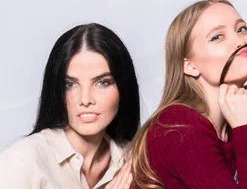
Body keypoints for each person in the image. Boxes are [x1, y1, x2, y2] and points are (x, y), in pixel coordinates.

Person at [128, 0, 247, 189]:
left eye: (241, 29)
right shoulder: (178, 126)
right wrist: (245, 129)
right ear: (189, 65)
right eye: (217, 37)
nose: (240, 41)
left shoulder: (241, 102)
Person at [0, 23, 141, 189]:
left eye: (103, 82)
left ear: (124, 87)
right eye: (70, 84)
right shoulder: (23, 160)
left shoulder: (138, 161)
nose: (85, 99)